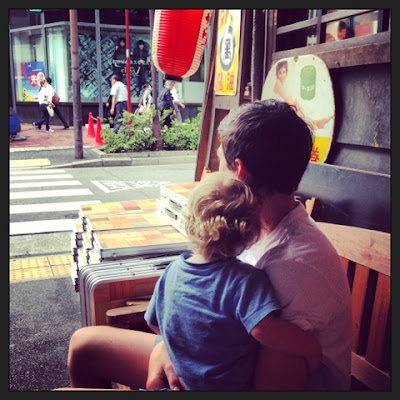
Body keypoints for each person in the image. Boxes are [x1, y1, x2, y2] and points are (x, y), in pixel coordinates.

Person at [67, 99, 352, 391]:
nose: (215, 173)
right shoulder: (245, 227)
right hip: (219, 358)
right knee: (85, 347)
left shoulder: (295, 268)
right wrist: (166, 347)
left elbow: (278, 374)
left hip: (252, 380)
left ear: (239, 170)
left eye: (219, 163)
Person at [144, 170, 322, 390]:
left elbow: (154, 323)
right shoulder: (245, 280)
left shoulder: (172, 271)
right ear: (251, 233)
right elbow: (264, 330)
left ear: (190, 223)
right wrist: (311, 347)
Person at [273, 60, 332, 131]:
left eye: (284, 72)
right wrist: (297, 108)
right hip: (279, 116)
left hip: (284, 113)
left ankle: (314, 123)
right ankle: (311, 124)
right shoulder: (278, 83)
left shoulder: (283, 85)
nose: (282, 75)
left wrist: (298, 106)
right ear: (277, 74)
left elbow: (290, 99)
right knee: (293, 107)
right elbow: (287, 100)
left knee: (295, 103)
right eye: (280, 73)